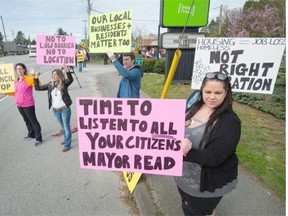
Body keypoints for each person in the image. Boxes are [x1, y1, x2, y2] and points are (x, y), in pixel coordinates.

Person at [174, 71, 241, 216]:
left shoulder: (230, 122)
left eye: (218, 92)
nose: (211, 97)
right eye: (207, 91)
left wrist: (187, 152)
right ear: (201, 91)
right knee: (188, 205)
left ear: (226, 93)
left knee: (195, 212)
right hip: (182, 177)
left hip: (205, 186)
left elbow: (214, 157)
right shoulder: (195, 106)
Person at [34, 66, 74, 152]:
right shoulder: (50, 85)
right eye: (53, 75)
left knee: (66, 127)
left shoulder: (64, 83)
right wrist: (36, 78)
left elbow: (70, 80)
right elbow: (38, 88)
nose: (54, 76)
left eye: (56, 74)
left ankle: (67, 144)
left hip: (65, 109)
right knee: (63, 127)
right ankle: (67, 138)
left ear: (59, 75)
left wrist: (67, 70)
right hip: (56, 110)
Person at [5, 63, 43, 146]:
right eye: (17, 69)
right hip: (19, 104)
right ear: (16, 70)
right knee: (26, 120)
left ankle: (38, 138)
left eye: (21, 69)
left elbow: (37, 85)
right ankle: (31, 134)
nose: (19, 70)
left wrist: (33, 75)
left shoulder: (28, 79)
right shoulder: (15, 80)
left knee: (33, 121)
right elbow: (14, 92)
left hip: (28, 104)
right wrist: (5, 91)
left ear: (24, 70)